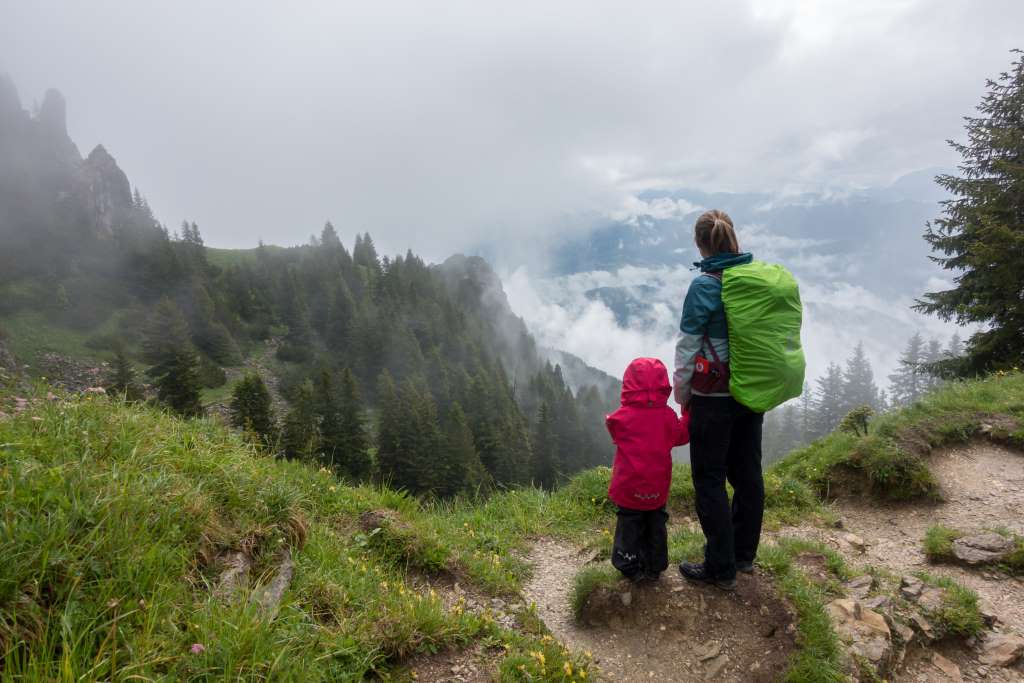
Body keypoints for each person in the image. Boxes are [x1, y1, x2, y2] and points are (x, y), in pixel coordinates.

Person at [673, 209, 763, 591]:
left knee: (709, 479)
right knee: (747, 474)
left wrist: (683, 392)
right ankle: (743, 556)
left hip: (713, 396)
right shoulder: (753, 279)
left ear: (700, 244)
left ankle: (719, 567)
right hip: (751, 389)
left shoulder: (705, 286)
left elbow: (689, 345)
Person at [606, 357, 690, 583]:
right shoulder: (667, 417)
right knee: (656, 524)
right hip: (656, 487)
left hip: (628, 487)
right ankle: (654, 567)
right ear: (663, 385)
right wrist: (687, 413)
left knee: (629, 525)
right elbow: (682, 434)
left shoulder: (621, 418)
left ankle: (628, 566)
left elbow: (612, 426)